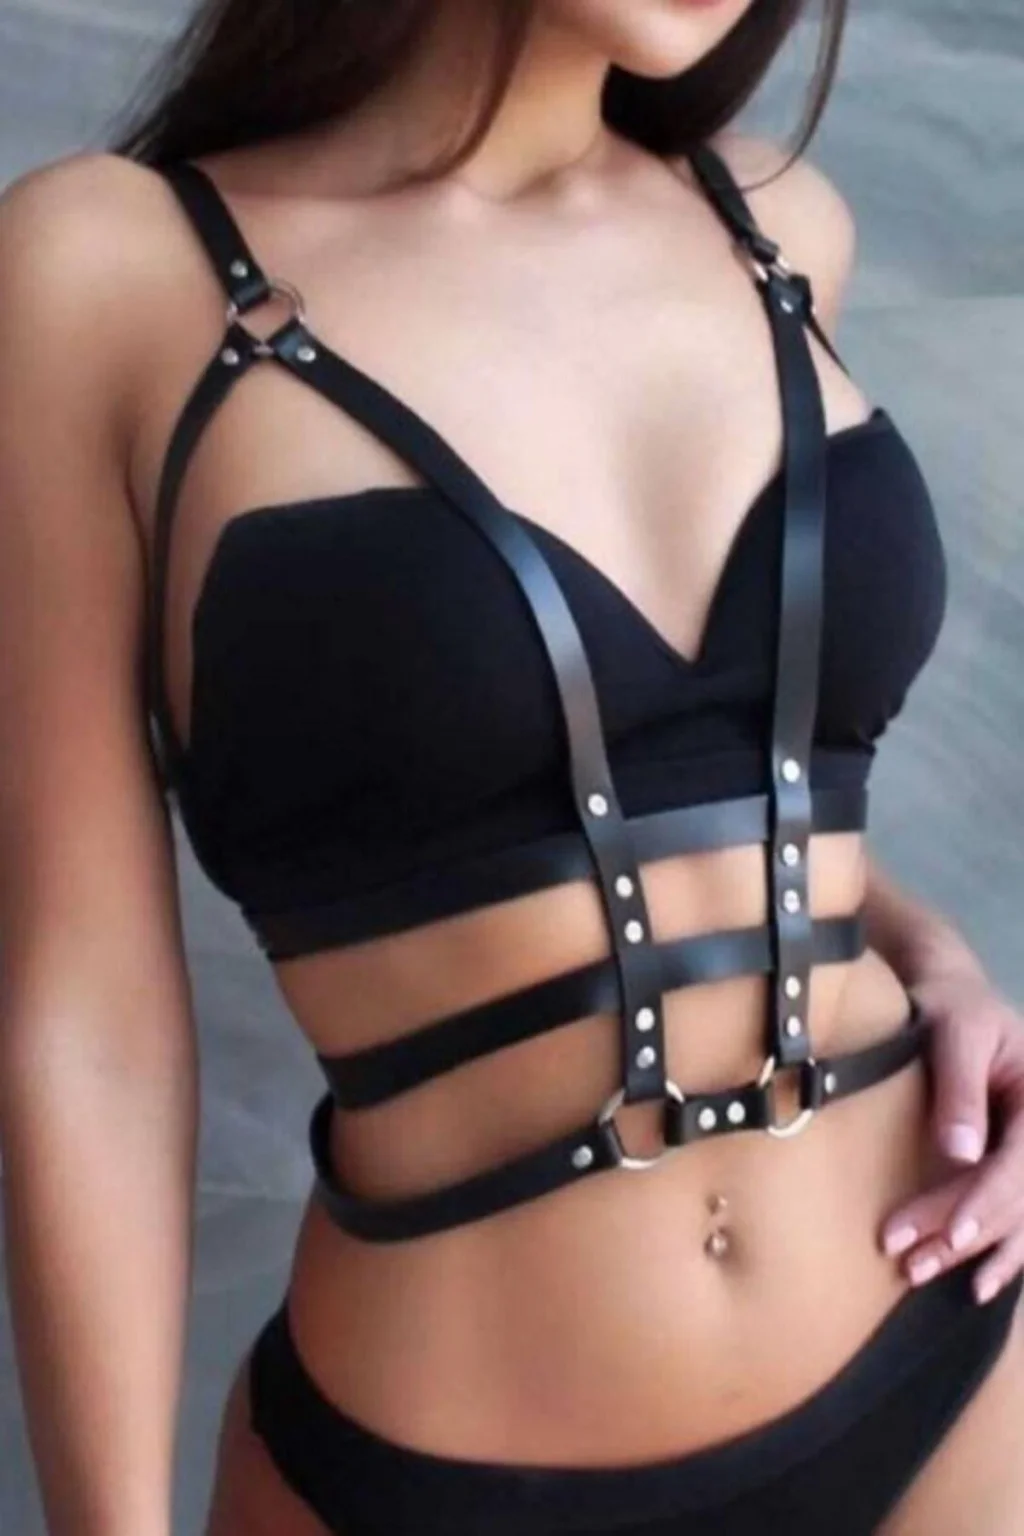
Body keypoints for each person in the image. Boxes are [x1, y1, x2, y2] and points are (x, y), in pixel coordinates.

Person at [1, 1, 1023, 1532]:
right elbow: (89, 1016)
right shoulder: (107, 271)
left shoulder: (779, 224)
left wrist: (934, 954)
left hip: (949, 1364)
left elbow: (735, 772)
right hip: (436, 1461)